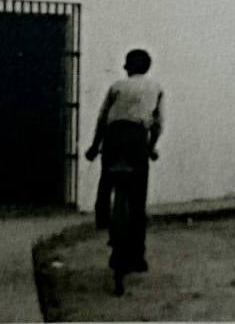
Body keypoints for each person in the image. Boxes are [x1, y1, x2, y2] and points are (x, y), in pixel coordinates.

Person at [85, 49, 163, 293]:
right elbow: (158, 124)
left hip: (114, 138)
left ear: (127, 67)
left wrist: (94, 146)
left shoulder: (117, 86)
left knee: (107, 179)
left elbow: (102, 118)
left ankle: (101, 215)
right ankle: (137, 256)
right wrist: (151, 147)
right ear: (147, 68)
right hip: (137, 140)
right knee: (138, 198)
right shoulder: (156, 88)